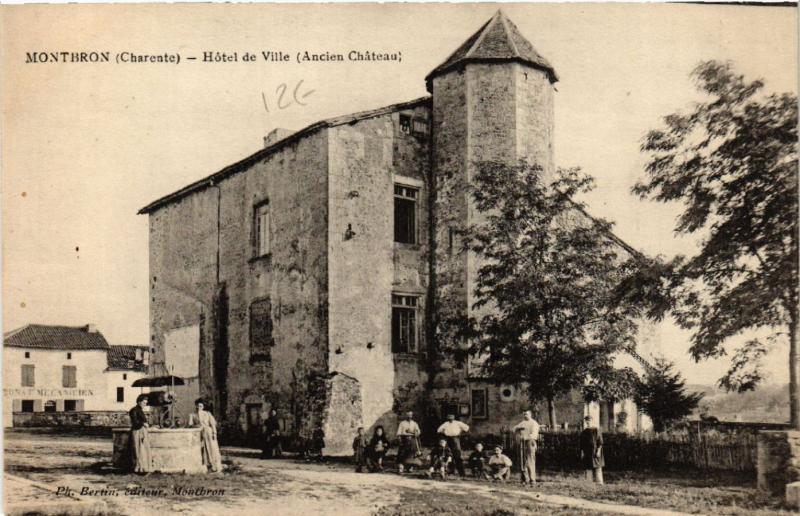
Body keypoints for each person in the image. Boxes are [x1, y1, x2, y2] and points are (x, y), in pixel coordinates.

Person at [189, 398, 223, 472]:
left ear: (203, 406)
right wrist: (198, 426)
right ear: (196, 406)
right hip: (199, 433)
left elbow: (213, 424)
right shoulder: (192, 415)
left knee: (212, 448)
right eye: (198, 406)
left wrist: (214, 433)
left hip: (208, 433)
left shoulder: (207, 413)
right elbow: (190, 425)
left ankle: (215, 465)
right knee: (203, 449)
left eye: (201, 406)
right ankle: (205, 466)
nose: (199, 407)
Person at [513, 409, 540, 486]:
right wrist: (517, 429)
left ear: (530, 415)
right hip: (522, 443)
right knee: (522, 461)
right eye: (524, 414)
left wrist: (525, 437)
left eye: (527, 414)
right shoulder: (523, 423)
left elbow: (534, 434)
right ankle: (524, 478)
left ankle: (532, 479)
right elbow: (514, 429)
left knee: (530, 460)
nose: (525, 416)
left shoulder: (534, 423)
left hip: (530, 442)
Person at [129, 394, 151, 474]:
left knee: (142, 450)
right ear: (139, 402)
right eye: (144, 403)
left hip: (142, 432)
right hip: (137, 431)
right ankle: (138, 468)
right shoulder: (134, 410)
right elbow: (135, 422)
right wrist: (143, 424)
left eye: (146, 403)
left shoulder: (140, 410)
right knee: (138, 450)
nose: (145, 404)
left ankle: (142, 468)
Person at [579, 414, 604, 484]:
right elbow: (582, 444)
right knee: (588, 466)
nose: (588, 422)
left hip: (595, 451)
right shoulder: (584, 432)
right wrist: (582, 452)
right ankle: (589, 481)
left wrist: (598, 451)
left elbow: (600, 442)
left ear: (592, 421)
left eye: (589, 420)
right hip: (587, 452)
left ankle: (599, 482)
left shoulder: (596, 430)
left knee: (598, 466)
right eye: (586, 421)